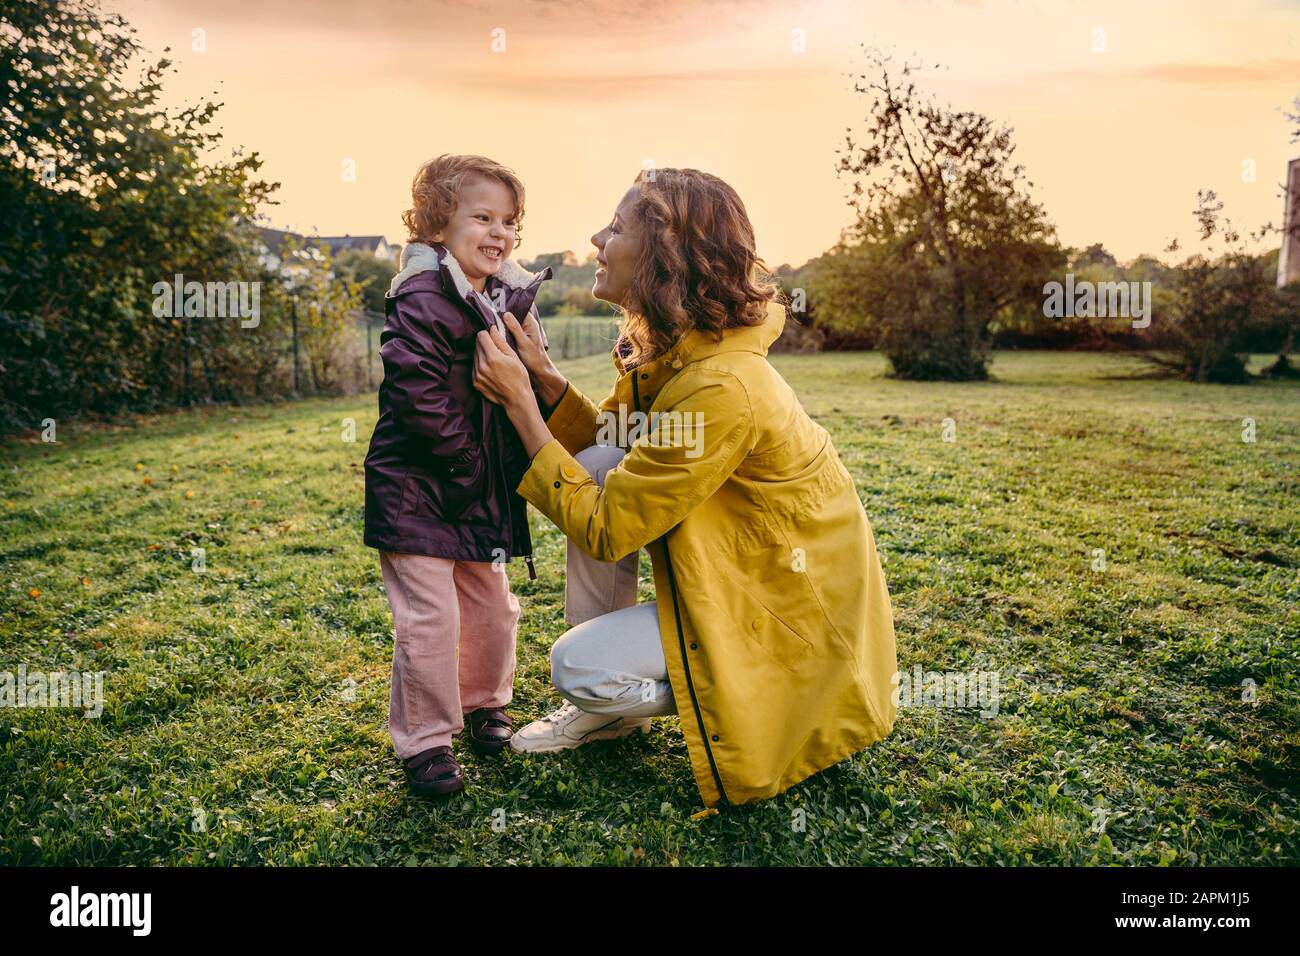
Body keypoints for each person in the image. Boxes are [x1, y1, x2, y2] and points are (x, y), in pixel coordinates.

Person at [472, 167, 898, 807]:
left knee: (576, 667)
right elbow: (611, 442)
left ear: (663, 260)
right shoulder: (681, 354)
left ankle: (759, 690)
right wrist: (543, 377)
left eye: (615, 229)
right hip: (739, 584)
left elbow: (609, 528)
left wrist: (520, 408)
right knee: (595, 464)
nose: (595, 239)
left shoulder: (720, 387)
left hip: (788, 620)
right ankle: (614, 714)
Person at [363, 154, 551, 798]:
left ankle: (484, 704)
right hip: (419, 489)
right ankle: (426, 741)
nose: (499, 233)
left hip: (479, 490)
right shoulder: (422, 296)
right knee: (430, 618)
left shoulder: (504, 301)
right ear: (439, 225)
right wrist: (467, 464)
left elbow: (523, 389)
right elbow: (417, 390)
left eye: (509, 221)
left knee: (493, 608)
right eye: (482, 217)